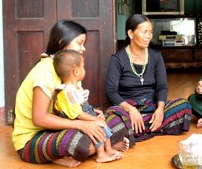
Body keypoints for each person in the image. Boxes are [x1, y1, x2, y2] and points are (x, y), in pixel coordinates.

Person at [12, 20, 129, 168]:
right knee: (79, 143)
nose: (83, 48)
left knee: (118, 117)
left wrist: (92, 116)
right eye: (80, 43)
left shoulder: (71, 68)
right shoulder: (45, 72)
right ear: (62, 42)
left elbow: (74, 107)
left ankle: (100, 145)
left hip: (58, 128)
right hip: (32, 139)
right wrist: (81, 124)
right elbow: (39, 118)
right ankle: (104, 145)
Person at [105, 14, 192, 142]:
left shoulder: (156, 56)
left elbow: (162, 87)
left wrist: (160, 109)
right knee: (113, 120)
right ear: (131, 33)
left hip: (152, 108)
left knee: (184, 105)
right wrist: (131, 110)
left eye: (150, 32)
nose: (149, 36)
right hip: (128, 111)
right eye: (144, 32)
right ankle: (152, 127)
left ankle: (138, 130)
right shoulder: (118, 59)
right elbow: (111, 92)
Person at [53, 49, 125, 163]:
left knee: (104, 124)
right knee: (98, 128)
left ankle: (109, 149)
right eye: (83, 66)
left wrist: (94, 112)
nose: (84, 69)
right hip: (77, 120)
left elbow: (83, 105)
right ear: (76, 71)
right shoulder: (68, 93)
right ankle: (101, 154)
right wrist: (93, 119)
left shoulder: (76, 87)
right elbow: (78, 113)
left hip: (85, 115)